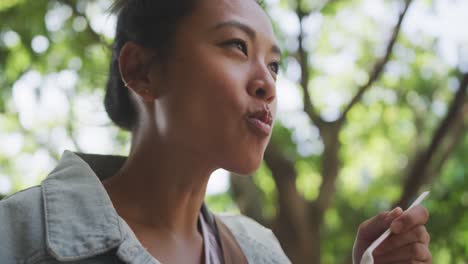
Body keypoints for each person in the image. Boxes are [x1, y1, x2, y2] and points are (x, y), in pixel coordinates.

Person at [0, 0, 431, 263]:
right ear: (142, 70)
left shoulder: (260, 250)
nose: (268, 83)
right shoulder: (18, 235)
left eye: (275, 65)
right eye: (237, 46)